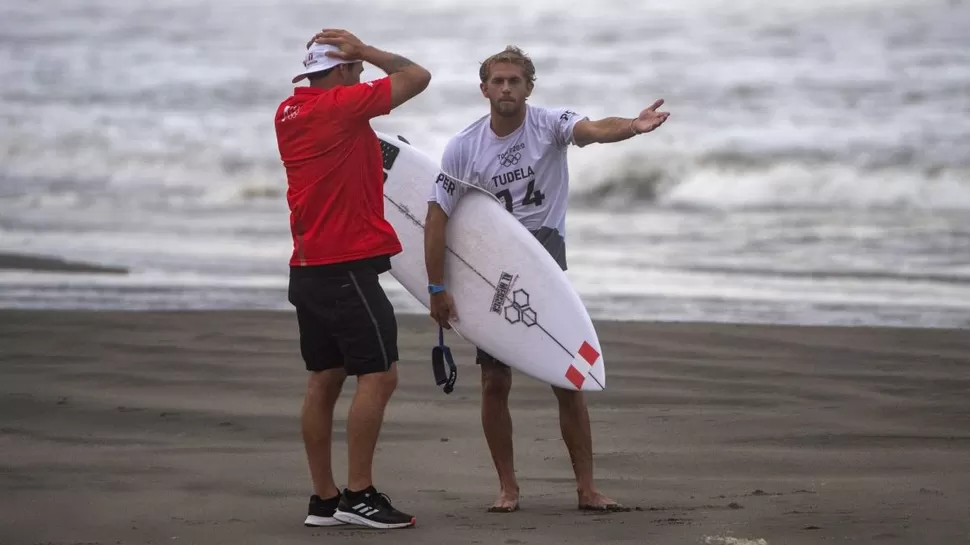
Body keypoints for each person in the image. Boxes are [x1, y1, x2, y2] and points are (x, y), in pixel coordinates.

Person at [423, 45, 669, 513]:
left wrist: (632, 128)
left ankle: (586, 489)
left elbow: (593, 130)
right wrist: (437, 287)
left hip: (544, 250)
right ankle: (508, 488)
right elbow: (437, 216)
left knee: (566, 380)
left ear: (529, 87)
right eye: (498, 81)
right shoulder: (463, 148)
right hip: (494, 259)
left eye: (515, 80)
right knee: (494, 381)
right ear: (484, 89)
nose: (506, 88)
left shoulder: (550, 124)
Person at [274, 28, 431, 529]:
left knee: (325, 377)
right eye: (357, 69)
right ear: (340, 72)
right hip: (345, 269)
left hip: (308, 268)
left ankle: (324, 499)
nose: (363, 74)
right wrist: (366, 49)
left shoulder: (288, 113)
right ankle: (358, 494)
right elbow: (417, 76)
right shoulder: (340, 107)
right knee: (380, 374)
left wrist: (356, 61)